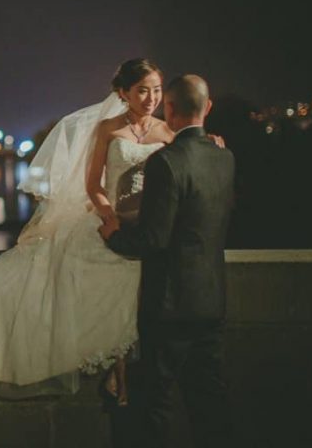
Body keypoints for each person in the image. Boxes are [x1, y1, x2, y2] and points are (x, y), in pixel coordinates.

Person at [0, 58, 171, 399]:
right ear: (123, 93)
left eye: (156, 90)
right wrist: (109, 215)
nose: (151, 98)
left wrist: (212, 139)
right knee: (95, 265)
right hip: (112, 217)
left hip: (149, 225)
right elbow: (93, 182)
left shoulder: (167, 131)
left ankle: (122, 367)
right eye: (142, 90)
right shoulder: (108, 128)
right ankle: (118, 366)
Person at [100, 74, 235, 448]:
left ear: (169, 108)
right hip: (212, 300)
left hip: (169, 304)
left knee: (155, 404)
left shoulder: (166, 162)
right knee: (210, 401)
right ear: (208, 108)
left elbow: (153, 239)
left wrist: (113, 236)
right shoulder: (225, 157)